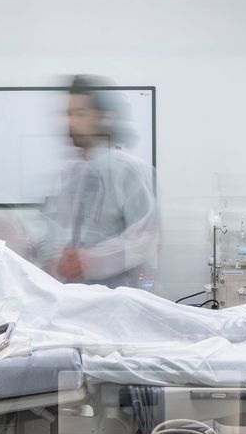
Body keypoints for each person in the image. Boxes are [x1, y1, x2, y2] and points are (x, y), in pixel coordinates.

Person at [31, 76, 161, 289]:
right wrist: (26, 240)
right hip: (73, 297)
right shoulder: (71, 173)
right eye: (69, 114)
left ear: (104, 117)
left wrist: (90, 261)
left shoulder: (129, 170)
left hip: (118, 300)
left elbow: (145, 238)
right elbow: (54, 231)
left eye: (80, 114)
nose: (71, 122)